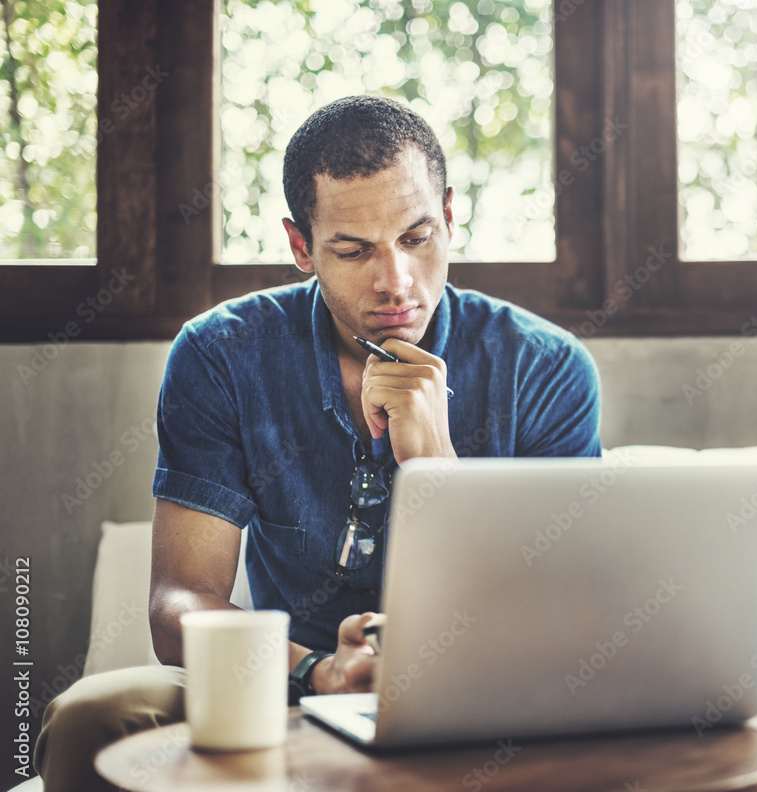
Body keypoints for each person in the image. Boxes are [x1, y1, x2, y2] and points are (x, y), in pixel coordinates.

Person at [33, 95, 601, 791]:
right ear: (302, 247)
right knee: (89, 716)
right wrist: (315, 670)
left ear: (450, 216)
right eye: (354, 250)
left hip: (488, 702)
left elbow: (557, 616)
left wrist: (433, 468)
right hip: (285, 693)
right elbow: (179, 600)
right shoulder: (220, 354)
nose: (395, 282)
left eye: (418, 238)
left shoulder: (545, 368)